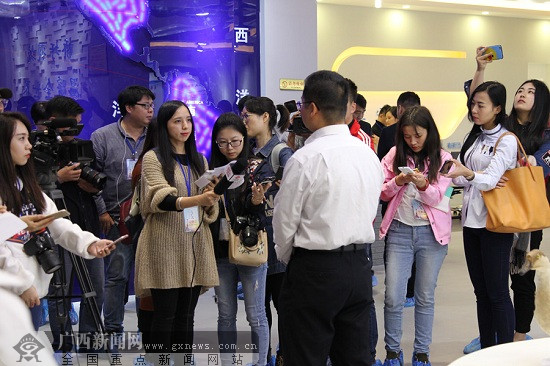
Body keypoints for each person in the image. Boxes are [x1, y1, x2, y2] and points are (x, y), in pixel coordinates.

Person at [273, 70, 383, 365]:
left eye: (300, 105)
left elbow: (284, 223)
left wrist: (289, 259)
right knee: (355, 357)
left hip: (314, 268)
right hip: (359, 267)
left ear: (311, 109)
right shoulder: (367, 155)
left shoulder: (305, 159)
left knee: (305, 355)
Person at [462, 46, 550, 353]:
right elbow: (477, 102)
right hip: (492, 210)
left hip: (524, 214)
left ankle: (515, 339)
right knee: (488, 287)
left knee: (519, 280)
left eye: (531, 91)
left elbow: (538, 164)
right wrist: (481, 69)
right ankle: (496, 340)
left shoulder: (542, 133)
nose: (523, 93)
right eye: (521, 89)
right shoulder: (503, 127)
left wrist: (512, 164)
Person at [0, 112, 114, 331]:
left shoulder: (27, 186)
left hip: (29, 290)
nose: (29, 146)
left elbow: (57, 223)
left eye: (28, 139)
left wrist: (90, 244)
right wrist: (22, 283)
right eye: (21, 139)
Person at [134, 100, 219, 362]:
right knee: (164, 315)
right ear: (164, 125)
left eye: (188, 120)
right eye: (177, 121)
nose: (185, 126)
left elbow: (209, 211)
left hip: (194, 245)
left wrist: (213, 196)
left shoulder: (199, 160)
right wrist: (198, 200)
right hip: (164, 246)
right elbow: (162, 198)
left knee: (186, 316)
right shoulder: (153, 158)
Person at [444, 81, 517, 349]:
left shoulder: (506, 139)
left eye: (480, 105)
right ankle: (487, 349)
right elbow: (472, 180)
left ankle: (508, 352)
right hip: (471, 222)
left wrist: (470, 174)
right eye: (473, 104)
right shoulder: (474, 137)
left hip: (496, 223)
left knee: (498, 293)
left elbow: (489, 180)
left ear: (497, 108)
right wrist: (457, 176)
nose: (474, 109)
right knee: (481, 293)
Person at [379, 106, 452, 366]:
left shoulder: (444, 159)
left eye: (418, 135)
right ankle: (392, 353)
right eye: (408, 136)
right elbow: (382, 193)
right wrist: (397, 182)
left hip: (431, 236)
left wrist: (422, 184)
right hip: (399, 231)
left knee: (424, 296)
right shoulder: (393, 155)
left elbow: (438, 198)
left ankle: (421, 353)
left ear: (429, 132)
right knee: (393, 296)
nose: (413, 141)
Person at [40, 96, 105, 353]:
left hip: (87, 225)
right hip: (55, 229)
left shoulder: (83, 146)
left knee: (97, 288)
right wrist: (59, 177)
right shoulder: (38, 150)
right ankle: (63, 341)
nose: (75, 132)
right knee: (59, 290)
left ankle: (89, 340)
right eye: (71, 126)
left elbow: (98, 184)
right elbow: (32, 188)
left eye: (79, 125)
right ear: (55, 122)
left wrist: (89, 185)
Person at [91, 85, 155, 341]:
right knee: (117, 275)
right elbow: (92, 179)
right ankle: (113, 330)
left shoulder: (157, 136)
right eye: (145, 105)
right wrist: (102, 211)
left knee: (148, 276)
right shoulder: (102, 136)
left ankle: (146, 329)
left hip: (150, 217)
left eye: (152, 105)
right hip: (117, 217)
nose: (151, 110)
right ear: (129, 108)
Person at [209, 113, 269, 366]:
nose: (230, 148)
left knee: (255, 315)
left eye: (235, 142)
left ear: (244, 139)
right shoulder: (211, 171)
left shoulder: (255, 168)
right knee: (225, 315)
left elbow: (261, 217)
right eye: (222, 143)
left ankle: (259, 362)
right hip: (221, 251)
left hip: (249, 247)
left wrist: (256, 202)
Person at [242, 96, 293, 365]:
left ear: (265, 118)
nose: (244, 120)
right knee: (257, 310)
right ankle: (263, 357)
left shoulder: (282, 153)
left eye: (248, 114)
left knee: (283, 308)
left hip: (278, 244)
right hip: (252, 244)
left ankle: (284, 355)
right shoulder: (243, 152)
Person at [378, 93, 420, 161]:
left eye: (418, 136)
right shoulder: (426, 130)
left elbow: (381, 161)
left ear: (399, 109)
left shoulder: (387, 132)